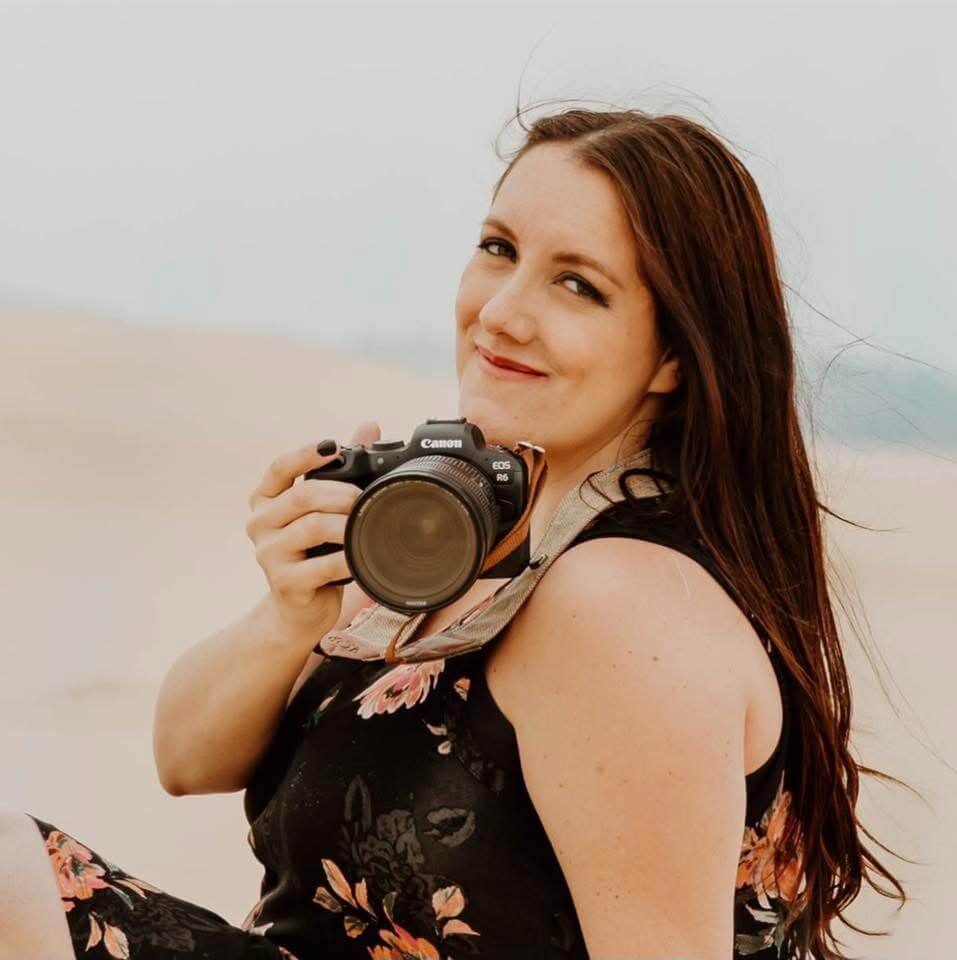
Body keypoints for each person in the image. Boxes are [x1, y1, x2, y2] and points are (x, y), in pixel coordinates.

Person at [0, 105, 907, 960]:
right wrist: (288, 617)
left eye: (578, 285)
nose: (502, 310)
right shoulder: (477, 544)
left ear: (673, 354)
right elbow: (184, 759)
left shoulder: (618, 602)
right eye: (498, 248)